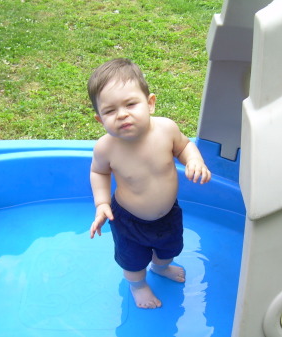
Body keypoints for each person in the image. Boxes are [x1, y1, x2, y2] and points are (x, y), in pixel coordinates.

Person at [88, 58, 211, 309]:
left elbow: (185, 146)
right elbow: (98, 173)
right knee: (132, 261)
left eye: (131, 104)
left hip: (167, 215)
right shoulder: (106, 148)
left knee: (169, 248)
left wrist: (194, 160)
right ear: (100, 120)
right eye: (110, 111)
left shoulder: (166, 129)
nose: (122, 114)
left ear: (150, 103)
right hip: (128, 220)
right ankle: (138, 285)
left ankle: (161, 267)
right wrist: (101, 203)